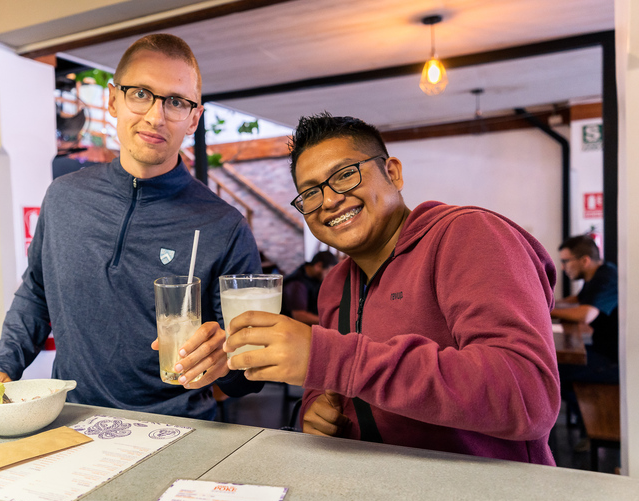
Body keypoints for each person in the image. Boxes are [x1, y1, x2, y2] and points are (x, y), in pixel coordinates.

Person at [224, 113, 560, 465]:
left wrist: (330, 358)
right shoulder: (334, 286)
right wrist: (317, 411)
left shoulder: (468, 236)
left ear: (393, 173)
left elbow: (528, 395)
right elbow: (329, 386)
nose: (329, 200)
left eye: (344, 175)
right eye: (310, 192)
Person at [0, 34, 263, 419]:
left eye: (175, 102)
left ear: (193, 119)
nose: (156, 116)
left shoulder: (224, 226)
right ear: (113, 100)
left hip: (181, 431)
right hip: (72, 422)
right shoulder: (63, 198)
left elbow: (248, 378)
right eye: (141, 94)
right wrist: (3, 366)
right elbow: (37, 291)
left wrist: (227, 361)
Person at [551, 235, 618, 398]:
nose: (562, 267)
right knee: (552, 366)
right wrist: (549, 302)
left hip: (613, 362)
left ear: (585, 261)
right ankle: (577, 412)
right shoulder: (598, 275)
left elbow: (585, 315)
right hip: (601, 351)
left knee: (547, 370)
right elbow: (576, 300)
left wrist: (545, 311)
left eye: (566, 261)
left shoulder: (606, 277)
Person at [281, 251, 338, 325]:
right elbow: (299, 316)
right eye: (328, 272)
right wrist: (329, 322)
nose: (330, 277)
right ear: (318, 266)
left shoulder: (314, 276)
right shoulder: (296, 285)